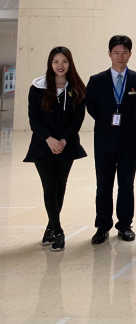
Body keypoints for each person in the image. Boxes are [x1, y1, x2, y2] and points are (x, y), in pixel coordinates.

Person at [86, 35, 136, 245]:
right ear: (109, 54)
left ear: (130, 54)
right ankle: (102, 226)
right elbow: (91, 107)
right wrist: (108, 121)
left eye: (124, 53)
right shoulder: (96, 80)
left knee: (126, 184)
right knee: (103, 184)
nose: (120, 57)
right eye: (116, 53)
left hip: (129, 139)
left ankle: (125, 225)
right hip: (104, 139)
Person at [25, 46, 87, 251]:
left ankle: (50, 227)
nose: (60, 65)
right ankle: (58, 230)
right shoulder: (37, 87)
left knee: (60, 187)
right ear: (50, 64)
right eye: (56, 61)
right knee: (49, 187)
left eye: (64, 61)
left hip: (67, 146)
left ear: (70, 64)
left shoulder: (77, 88)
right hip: (43, 146)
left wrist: (63, 140)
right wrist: (49, 139)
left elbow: (77, 120)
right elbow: (34, 119)